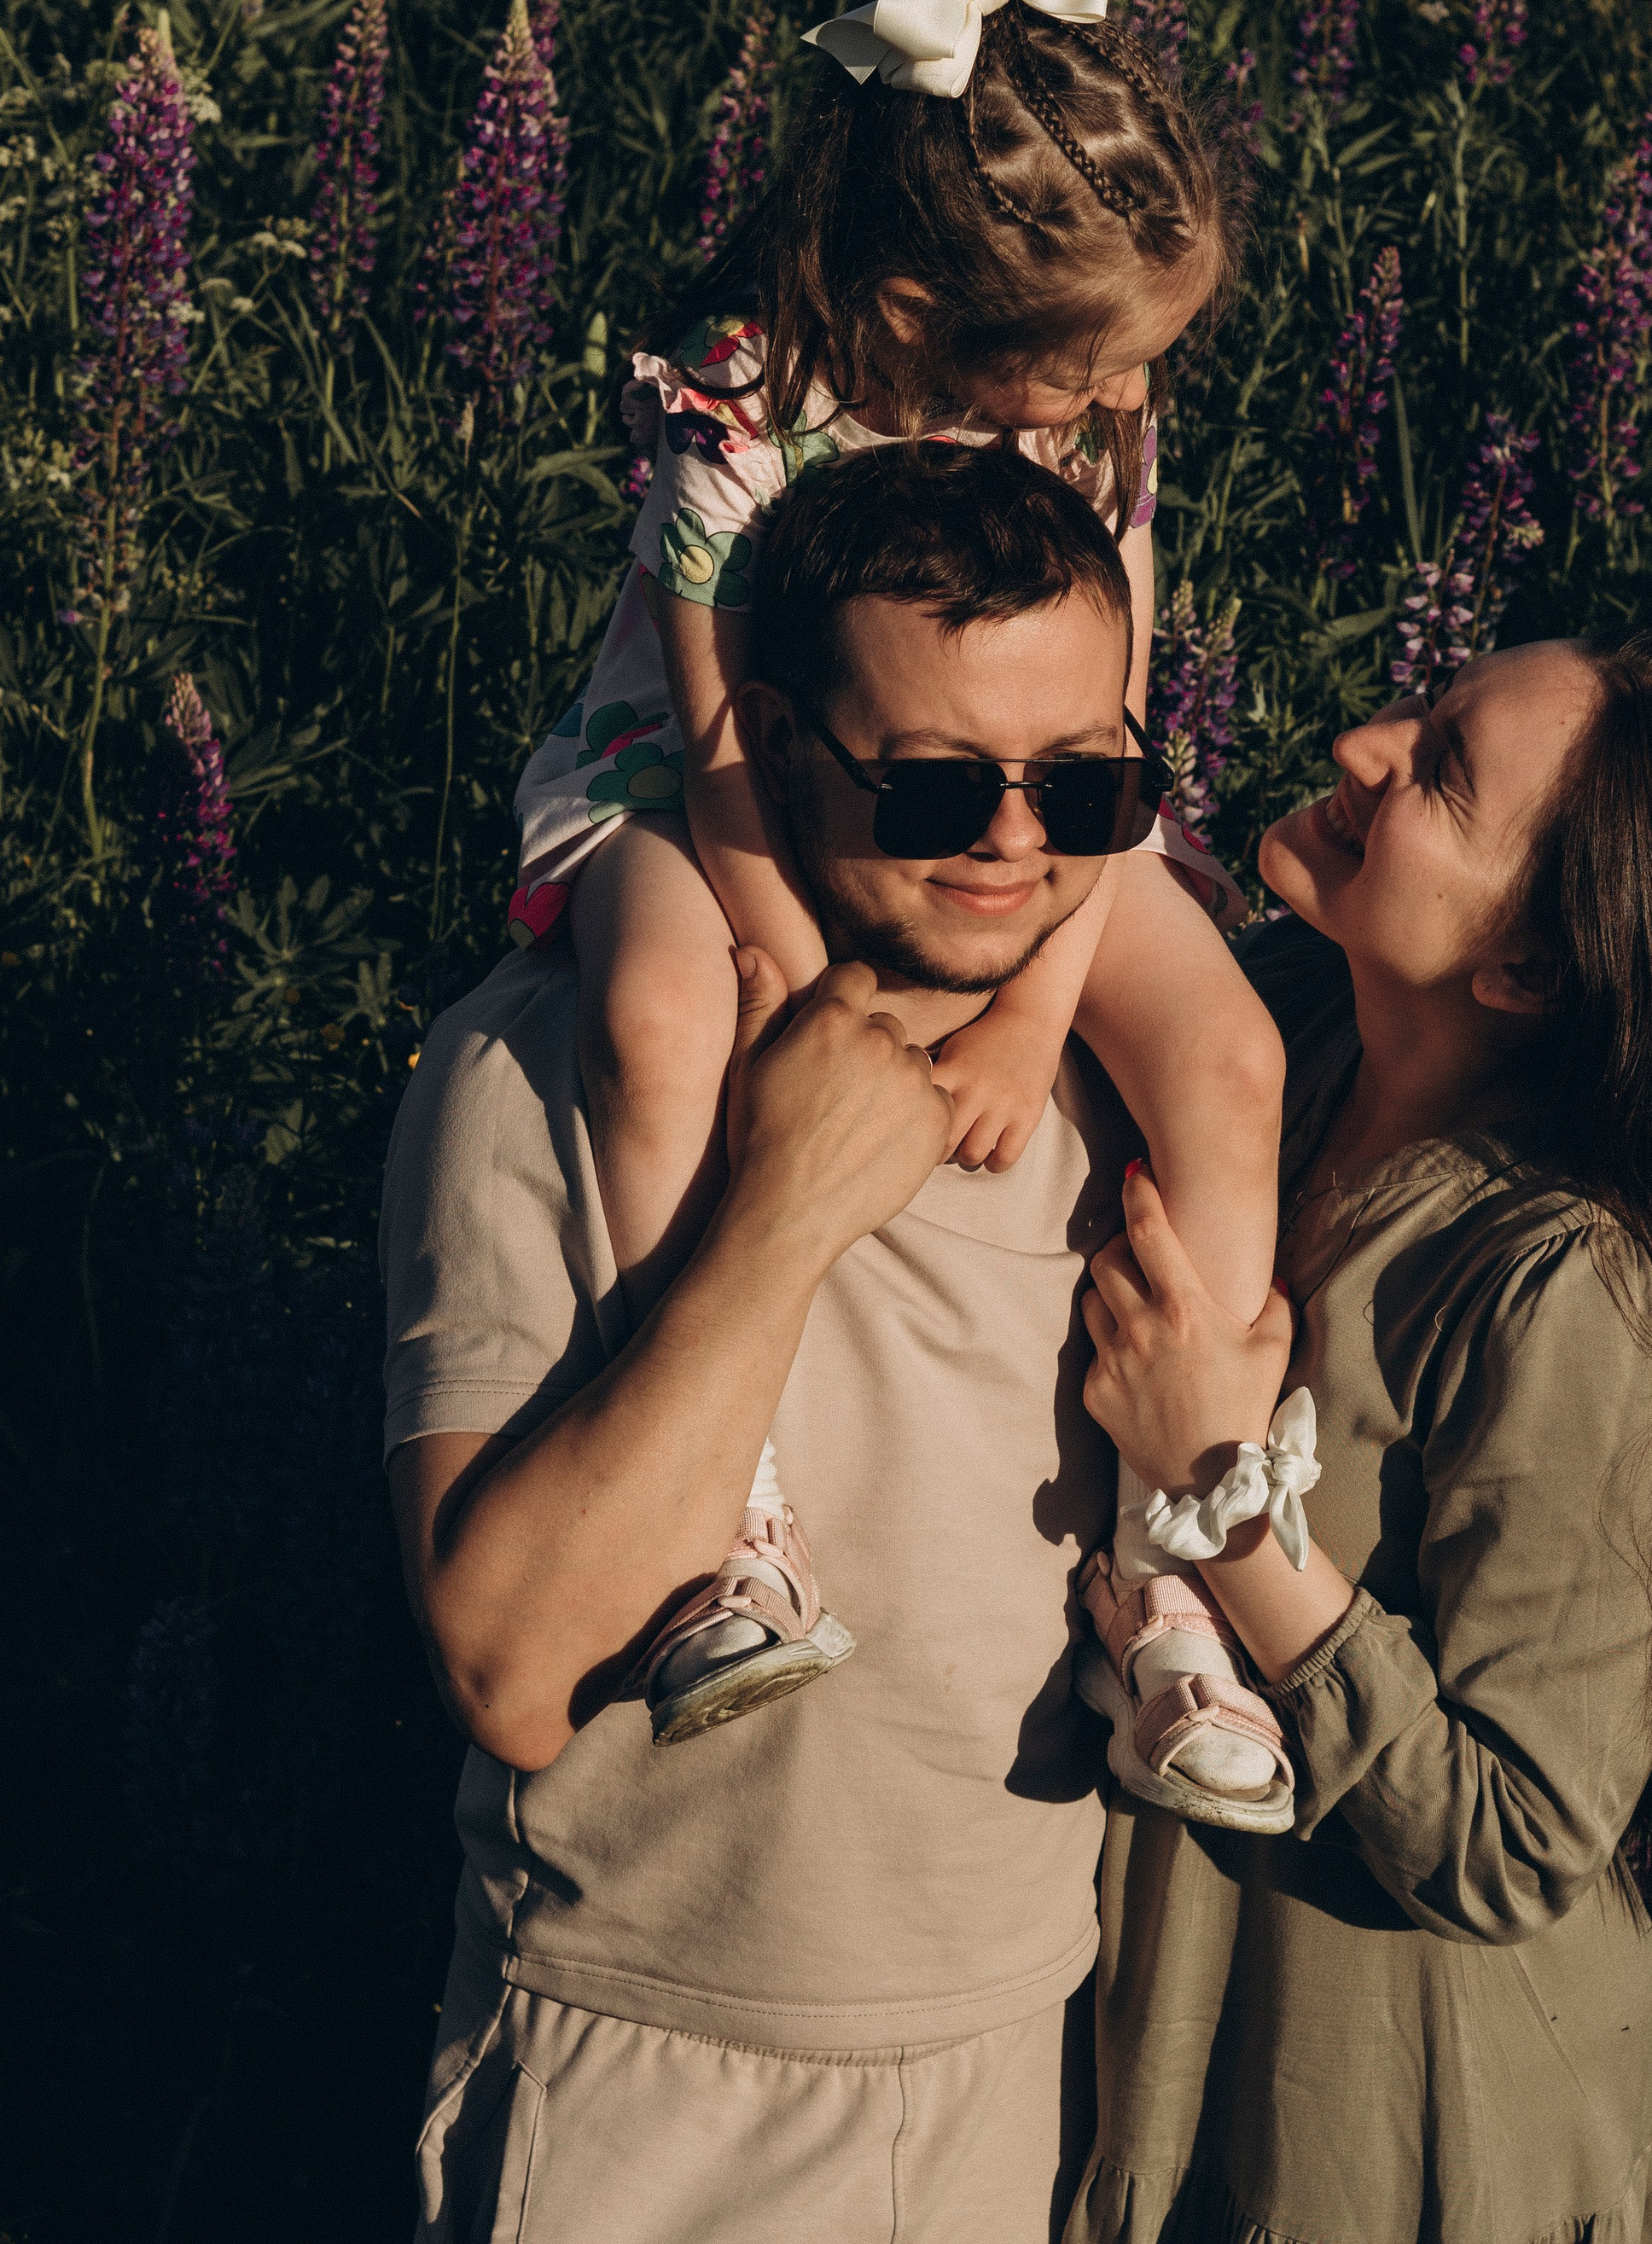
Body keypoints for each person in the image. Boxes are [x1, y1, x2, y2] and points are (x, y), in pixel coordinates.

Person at [501, 0, 1290, 1806]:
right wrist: (780, 952)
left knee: (1229, 1055)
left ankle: (1167, 1562)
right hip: (717, 789)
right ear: (925, 310)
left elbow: (1108, 719)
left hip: (1025, 808)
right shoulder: (743, 397)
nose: (1123, 397)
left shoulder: (1095, 406)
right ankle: (720, 1523)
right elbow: (710, 734)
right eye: (1086, 366)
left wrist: (1034, 1010)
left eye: (1136, 366)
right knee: (665, 1023)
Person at [387, 439, 1228, 2241]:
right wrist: (776, 1215)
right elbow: (513, 1669)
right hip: (652, 2076)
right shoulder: (544, 1064)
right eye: (934, 789)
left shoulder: (1124, 1080)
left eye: (1083, 789)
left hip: (1014, 2053)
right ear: (767, 742)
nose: (1017, 845)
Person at [1066, 632, 1652, 2243]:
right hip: (1183, 2036)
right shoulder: (1270, 1046)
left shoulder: (1567, 1284)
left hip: (1415, 2141)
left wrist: (1235, 1507)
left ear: (1533, 971)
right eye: (1425, 720)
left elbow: (1517, 1837)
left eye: (1439, 771)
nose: (1363, 748)